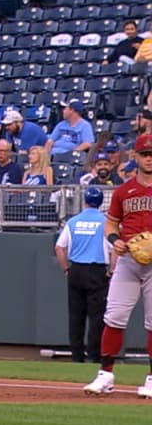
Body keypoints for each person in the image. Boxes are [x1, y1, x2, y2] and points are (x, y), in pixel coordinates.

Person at [83, 133, 152, 398]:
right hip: (128, 260)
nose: (149, 159)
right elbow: (111, 223)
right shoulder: (124, 191)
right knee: (113, 318)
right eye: (144, 154)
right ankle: (106, 374)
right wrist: (115, 240)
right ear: (135, 157)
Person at [55, 187, 113, 364]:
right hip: (97, 270)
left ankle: (76, 357)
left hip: (76, 270)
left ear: (85, 201)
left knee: (76, 317)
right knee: (97, 318)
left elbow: (59, 248)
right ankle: (94, 356)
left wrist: (66, 269)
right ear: (101, 202)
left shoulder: (73, 221)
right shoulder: (105, 222)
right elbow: (114, 250)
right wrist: (111, 270)